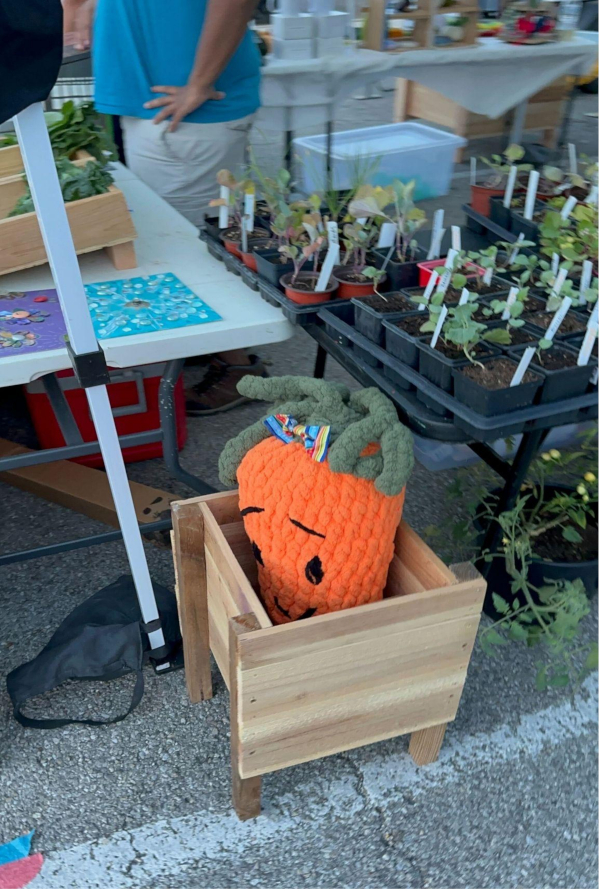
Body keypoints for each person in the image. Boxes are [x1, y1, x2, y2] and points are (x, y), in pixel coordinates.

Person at [67, 0, 269, 415]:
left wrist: (199, 83)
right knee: (178, 243)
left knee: (183, 251)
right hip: (163, 105)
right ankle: (210, 345)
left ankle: (240, 368)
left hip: (188, 110)